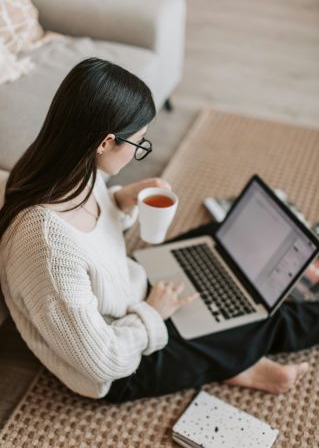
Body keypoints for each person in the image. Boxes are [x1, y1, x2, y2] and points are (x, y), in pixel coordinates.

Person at [0, 58, 317, 403]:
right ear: (105, 142)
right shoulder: (47, 251)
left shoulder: (65, 170)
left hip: (129, 288)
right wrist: (153, 312)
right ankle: (235, 361)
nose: (138, 154)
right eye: (138, 143)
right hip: (119, 362)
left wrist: (121, 201)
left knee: (216, 242)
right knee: (261, 315)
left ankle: (228, 359)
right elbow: (103, 361)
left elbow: (90, 235)